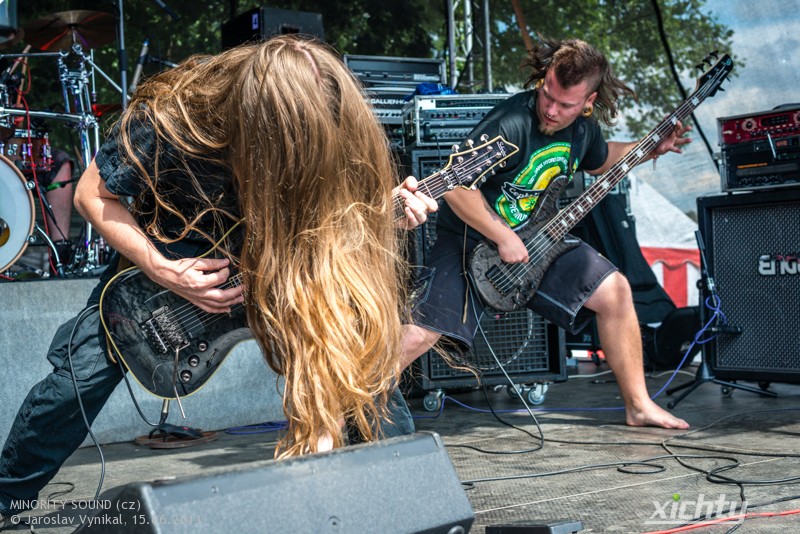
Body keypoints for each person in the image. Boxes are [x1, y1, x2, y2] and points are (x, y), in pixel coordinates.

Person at [0, 34, 437, 524]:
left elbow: (334, 219)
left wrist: (386, 212)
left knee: (358, 370)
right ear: (259, 124)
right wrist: (164, 269)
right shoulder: (174, 113)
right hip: (164, 274)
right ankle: (4, 497)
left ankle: (408, 507)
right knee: (76, 383)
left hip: (276, 269)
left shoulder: (334, 120)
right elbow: (89, 195)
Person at [400, 37, 692, 430]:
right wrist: (502, 234)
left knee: (616, 291)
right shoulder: (512, 121)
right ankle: (337, 406)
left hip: (540, 240)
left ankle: (639, 406)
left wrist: (649, 146)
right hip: (472, 240)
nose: (551, 110)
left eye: (565, 104)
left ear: (588, 102)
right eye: (547, 95)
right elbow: (455, 186)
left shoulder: (583, 132)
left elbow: (601, 160)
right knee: (420, 333)